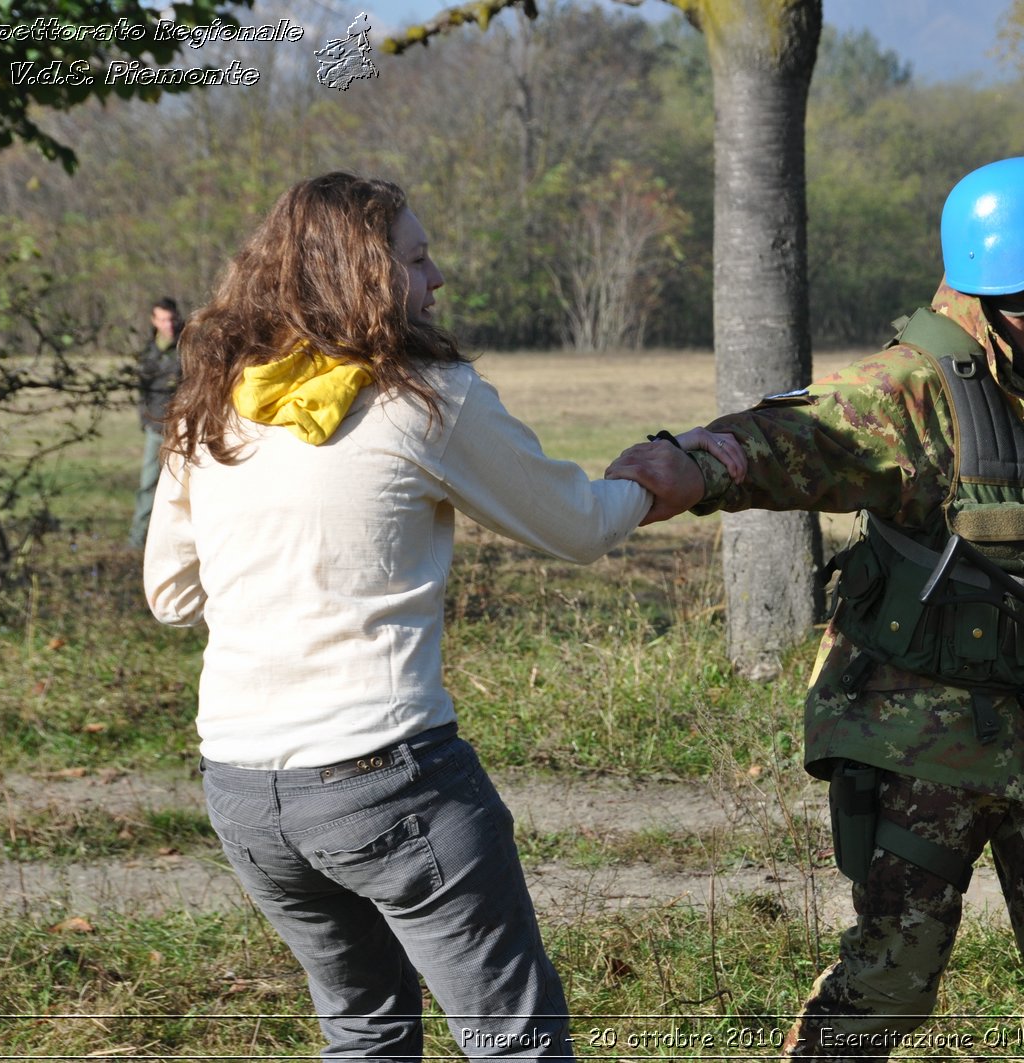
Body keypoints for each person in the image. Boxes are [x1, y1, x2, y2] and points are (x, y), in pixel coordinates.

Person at [607, 156, 1024, 1061]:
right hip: (924, 740)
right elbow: (802, 431)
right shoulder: (918, 387)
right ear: (1021, 264)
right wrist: (694, 464)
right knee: (893, 979)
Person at [142, 172, 713, 1060]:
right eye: (415, 257)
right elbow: (579, 526)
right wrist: (662, 479)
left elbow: (171, 596)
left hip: (245, 791)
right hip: (388, 781)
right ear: (363, 277)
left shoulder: (215, 400)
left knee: (365, 1034)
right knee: (514, 1041)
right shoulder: (423, 399)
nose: (436, 275)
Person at [129, 296, 183, 549]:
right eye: (162, 319)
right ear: (154, 321)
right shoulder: (148, 353)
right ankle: (137, 540)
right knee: (148, 483)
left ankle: (176, 542)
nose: (168, 324)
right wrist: (146, 421)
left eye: (171, 318)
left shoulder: (187, 347)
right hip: (156, 427)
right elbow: (142, 391)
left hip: (183, 428)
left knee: (182, 487)